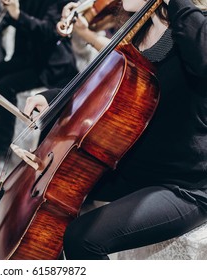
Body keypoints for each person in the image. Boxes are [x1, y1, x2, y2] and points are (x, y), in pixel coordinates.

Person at [24, 0, 207, 260]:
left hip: (183, 185)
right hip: (139, 168)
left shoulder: (192, 27)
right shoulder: (138, 27)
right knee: (50, 189)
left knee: (82, 238)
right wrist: (54, 98)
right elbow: (100, 81)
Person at [0, 0, 78, 180]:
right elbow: (6, 16)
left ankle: (3, 153)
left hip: (48, 63)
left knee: (7, 85)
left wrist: (18, 15)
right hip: (25, 58)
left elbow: (49, 33)